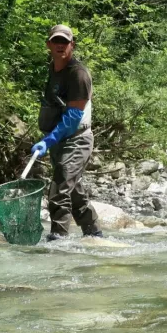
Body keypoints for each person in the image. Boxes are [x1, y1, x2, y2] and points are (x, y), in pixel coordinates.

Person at [30, 24, 102, 240]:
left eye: (65, 41)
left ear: (72, 45)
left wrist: (48, 140)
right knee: (74, 192)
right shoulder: (53, 69)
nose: (60, 45)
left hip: (77, 140)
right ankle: (94, 234)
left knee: (59, 191)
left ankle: (58, 243)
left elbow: (72, 118)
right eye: (56, 41)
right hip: (60, 140)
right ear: (48, 45)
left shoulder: (78, 74)